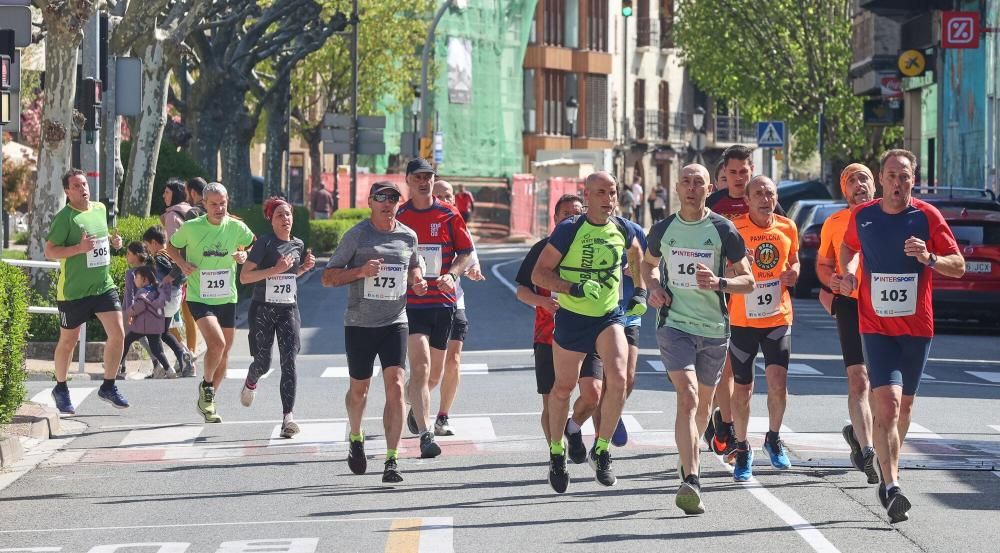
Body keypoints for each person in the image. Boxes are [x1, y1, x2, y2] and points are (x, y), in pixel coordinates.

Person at [835, 149, 965, 523]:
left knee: (904, 408)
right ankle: (892, 486)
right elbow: (848, 247)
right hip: (875, 327)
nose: (897, 183)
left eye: (904, 176)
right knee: (888, 405)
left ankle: (887, 459)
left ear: (913, 179)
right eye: (891, 175)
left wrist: (929, 258)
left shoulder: (927, 216)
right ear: (882, 178)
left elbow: (957, 265)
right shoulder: (864, 216)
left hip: (916, 328)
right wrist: (849, 273)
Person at [640, 163, 754, 514]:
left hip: (714, 330)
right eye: (686, 183)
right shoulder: (663, 229)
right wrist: (654, 287)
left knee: (704, 407)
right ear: (677, 188)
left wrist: (720, 283)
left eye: (698, 183)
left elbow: (748, 281)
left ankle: (690, 458)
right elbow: (646, 264)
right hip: (674, 324)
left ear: (708, 189)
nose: (691, 188)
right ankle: (691, 478)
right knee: (687, 397)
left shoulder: (724, 230)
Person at [531, 171, 647, 493]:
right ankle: (556, 451)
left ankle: (602, 448)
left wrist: (639, 290)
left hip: (608, 317)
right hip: (572, 316)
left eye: (612, 192)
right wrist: (575, 287)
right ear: (587, 194)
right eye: (601, 193)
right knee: (563, 389)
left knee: (620, 379)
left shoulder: (624, 228)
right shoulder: (569, 230)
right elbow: (541, 274)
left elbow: (639, 255)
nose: (608, 199)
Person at [323, 181, 427, 483]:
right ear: (370, 202)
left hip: (395, 321)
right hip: (360, 323)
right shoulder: (357, 236)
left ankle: (392, 459)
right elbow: (328, 278)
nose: (387, 204)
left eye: (393, 199)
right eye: (381, 199)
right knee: (360, 390)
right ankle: (356, 437)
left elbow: (413, 268)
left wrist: (417, 282)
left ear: (398, 204)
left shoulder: (408, 236)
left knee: (396, 384)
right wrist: (360, 272)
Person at [704, 144, 786, 461]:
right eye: (733, 173)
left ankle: (726, 427)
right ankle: (725, 424)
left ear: (752, 171)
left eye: (744, 172)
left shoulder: (767, 202)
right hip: (719, 291)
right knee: (723, 368)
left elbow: (782, 245)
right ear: (725, 174)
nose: (738, 179)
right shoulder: (714, 205)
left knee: (735, 369)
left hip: (757, 299)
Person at [395, 158, 476, 458]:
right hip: (412, 303)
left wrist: (452, 274)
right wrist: (408, 277)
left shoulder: (448, 214)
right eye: (417, 176)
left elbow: (465, 252)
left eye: (428, 176)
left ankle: (415, 401)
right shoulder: (399, 216)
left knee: (434, 376)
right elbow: (391, 256)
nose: (424, 181)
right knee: (421, 367)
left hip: (443, 302)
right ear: (407, 180)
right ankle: (426, 435)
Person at [515, 194, 604, 465]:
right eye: (565, 213)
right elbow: (521, 290)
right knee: (552, 400)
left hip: (588, 330)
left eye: (576, 213)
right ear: (555, 218)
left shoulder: (593, 247)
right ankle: (557, 453)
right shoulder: (543, 249)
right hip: (548, 335)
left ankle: (573, 426)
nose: (571, 218)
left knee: (593, 394)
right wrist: (542, 301)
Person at [726, 176, 800, 481]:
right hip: (742, 319)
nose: (764, 198)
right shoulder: (734, 228)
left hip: (777, 317)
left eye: (769, 193)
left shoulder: (787, 226)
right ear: (747, 199)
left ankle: (773, 437)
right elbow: (722, 268)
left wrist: (794, 273)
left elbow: (793, 260)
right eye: (757, 193)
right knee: (743, 389)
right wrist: (737, 266)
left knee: (778, 383)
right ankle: (742, 448)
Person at [168, 182, 255, 423]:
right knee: (216, 344)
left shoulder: (236, 227)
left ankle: (208, 400)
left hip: (227, 296)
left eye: (223, 203)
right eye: (214, 204)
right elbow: (171, 246)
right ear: (204, 204)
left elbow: (251, 243)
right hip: (199, 296)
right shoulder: (192, 227)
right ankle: (206, 386)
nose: (219, 208)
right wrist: (182, 264)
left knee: (224, 354)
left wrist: (244, 254)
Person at [45, 169, 130, 413]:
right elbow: (50, 251)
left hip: (103, 286)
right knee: (69, 341)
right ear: (67, 192)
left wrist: (115, 244)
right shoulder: (65, 219)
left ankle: (109, 385)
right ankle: (60, 387)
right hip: (74, 292)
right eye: (76, 185)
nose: (83, 188)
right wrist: (79, 248)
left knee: (118, 334)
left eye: (84, 183)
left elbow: (100, 242)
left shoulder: (100, 209)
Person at [816, 163, 879, 484]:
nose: (858, 184)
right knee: (859, 379)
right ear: (844, 189)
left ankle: (860, 433)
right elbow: (824, 264)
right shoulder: (835, 222)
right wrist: (833, 283)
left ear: (875, 183)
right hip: (850, 305)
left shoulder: (889, 216)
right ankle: (868, 451)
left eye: (863, 178)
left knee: (886, 384)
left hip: (886, 307)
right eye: (851, 180)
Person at [239, 197, 316, 439]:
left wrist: (303, 269)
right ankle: (252, 380)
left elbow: (290, 276)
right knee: (263, 363)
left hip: (288, 309)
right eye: (279, 215)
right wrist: (274, 269)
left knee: (289, 361)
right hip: (263, 309)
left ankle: (288, 418)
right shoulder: (264, 243)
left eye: (288, 214)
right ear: (271, 220)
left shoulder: (298, 244)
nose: (285, 219)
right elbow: (245, 277)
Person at [428, 180, 486, 436]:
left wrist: (474, 271)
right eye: (439, 196)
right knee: (429, 370)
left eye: (448, 196)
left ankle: (442, 416)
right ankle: (416, 399)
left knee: (453, 360)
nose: (445, 200)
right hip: (421, 304)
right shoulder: (415, 225)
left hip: (453, 301)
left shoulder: (459, 225)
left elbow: (472, 262)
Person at [591, 216, 648, 447]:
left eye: (611, 193)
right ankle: (600, 442)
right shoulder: (588, 230)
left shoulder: (634, 231)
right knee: (604, 382)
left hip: (629, 313)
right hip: (600, 314)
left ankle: (613, 411)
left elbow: (649, 267)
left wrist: (635, 272)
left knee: (628, 378)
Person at [142, 226, 195, 378]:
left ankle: (163, 368)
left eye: (147, 246)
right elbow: (182, 274)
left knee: (155, 333)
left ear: (153, 243)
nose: (148, 250)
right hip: (176, 297)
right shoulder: (173, 254)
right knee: (164, 332)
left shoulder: (159, 257)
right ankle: (183, 356)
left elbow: (165, 278)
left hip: (165, 298)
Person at [122, 264, 176, 379]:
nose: (135, 280)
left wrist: (129, 312)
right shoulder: (157, 290)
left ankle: (118, 365)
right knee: (157, 350)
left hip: (141, 326)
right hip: (155, 327)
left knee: (126, 341)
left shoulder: (143, 293)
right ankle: (169, 369)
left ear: (144, 279)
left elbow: (139, 306)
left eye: (137, 278)